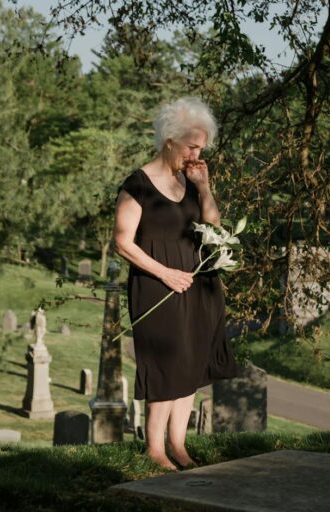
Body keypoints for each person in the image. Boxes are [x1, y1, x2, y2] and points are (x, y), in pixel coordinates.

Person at [113, 97, 239, 471]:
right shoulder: (137, 185)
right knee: (166, 364)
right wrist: (164, 273)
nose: (196, 153)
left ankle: (178, 445)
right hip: (157, 285)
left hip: (197, 284)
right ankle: (154, 450)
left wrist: (204, 187)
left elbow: (213, 228)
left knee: (191, 363)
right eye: (191, 146)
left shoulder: (191, 179)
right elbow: (122, 241)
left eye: (201, 147)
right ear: (169, 139)